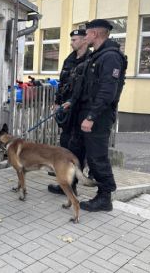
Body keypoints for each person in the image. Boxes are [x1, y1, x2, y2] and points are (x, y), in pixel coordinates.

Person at [69, 19, 127, 212]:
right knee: (75, 151)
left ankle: (104, 197)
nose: (85, 37)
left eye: (87, 34)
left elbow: (107, 92)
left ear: (94, 34)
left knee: (96, 157)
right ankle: (70, 186)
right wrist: (72, 102)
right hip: (85, 113)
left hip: (97, 117)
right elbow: (86, 86)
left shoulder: (110, 57)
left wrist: (91, 117)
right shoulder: (97, 56)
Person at [48, 29, 91, 195]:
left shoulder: (91, 60)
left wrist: (73, 102)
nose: (71, 43)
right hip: (67, 113)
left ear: (84, 41)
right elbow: (62, 83)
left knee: (77, 148)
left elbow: (88, 89)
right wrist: (57, 102)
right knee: (65, 145)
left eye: (74, 40)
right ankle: (64, 183)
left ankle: (72, 186)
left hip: (80, 111)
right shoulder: (70, 59)